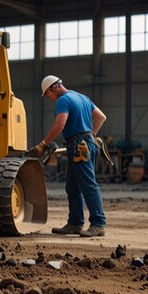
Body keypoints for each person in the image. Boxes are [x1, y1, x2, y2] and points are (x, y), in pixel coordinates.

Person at [30, 75, 107, 237]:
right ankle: (75, 223)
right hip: (84, 144)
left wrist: (43, 144)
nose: (49, 98)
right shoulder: (82, 97)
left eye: (48, 94)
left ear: (54, 87)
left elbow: (60, 125)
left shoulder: (63, 100)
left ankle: (98, 224)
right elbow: (101, 117)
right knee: (72, 187)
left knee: (88, 184)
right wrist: (91, 135)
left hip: (79, 145)